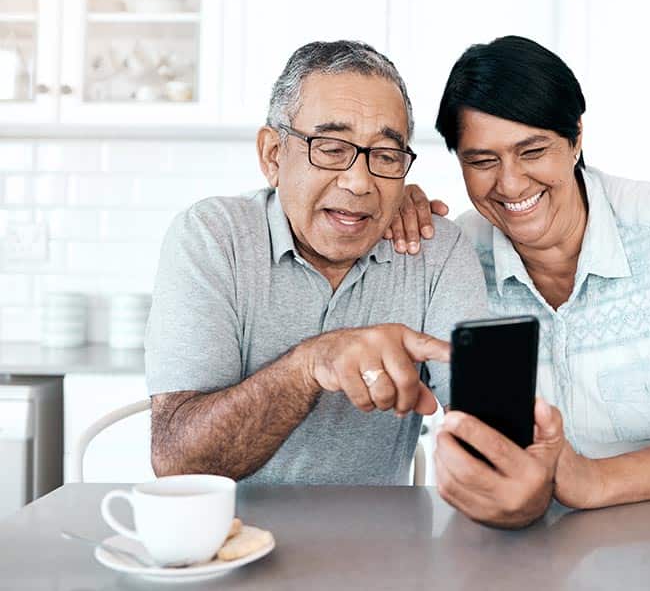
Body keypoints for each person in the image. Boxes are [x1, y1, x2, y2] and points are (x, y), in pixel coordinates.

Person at [387, 35, 650, 525]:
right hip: (580, 543)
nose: (511, 183)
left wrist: (590, 480)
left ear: (575, 139)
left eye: (533, 150)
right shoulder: (457, 254)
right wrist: (388, 207)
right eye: (482, 161)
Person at [145, 40, 489, 487]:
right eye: (330, 148)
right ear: (273, 155)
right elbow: (177, 460)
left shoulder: (434, 248)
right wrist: (310, 365)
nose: (360, 181)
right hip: (226, 542)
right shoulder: (214, 237)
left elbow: (486, 423)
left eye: (385, 156)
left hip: (377, 546)